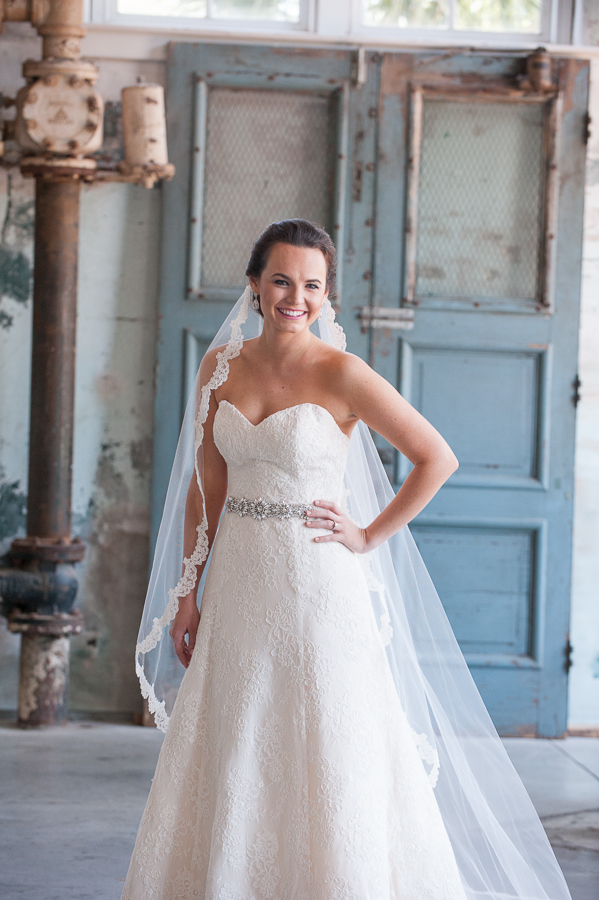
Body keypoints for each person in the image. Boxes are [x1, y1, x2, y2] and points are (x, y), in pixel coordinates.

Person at [122, 220, 572, 900]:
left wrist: (365, 535)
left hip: (317, 587)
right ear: (254, 284)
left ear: (325, 294)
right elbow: (205, 488)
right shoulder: (218, 371)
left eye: (310, 284)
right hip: (240, 583)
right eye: (280, 280)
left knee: (326, 744)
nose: (293, 297)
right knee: (238, 739)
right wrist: (188, 590)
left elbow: (435, 458)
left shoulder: (342, 373)